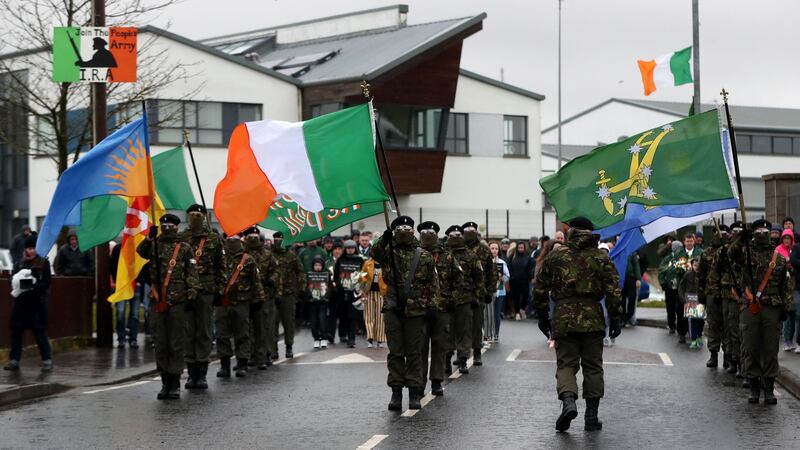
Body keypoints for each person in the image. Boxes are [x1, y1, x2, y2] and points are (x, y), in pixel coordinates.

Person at [534, 217, 622, 432]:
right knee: (593, 367)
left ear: (570, 231)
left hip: (564, 317)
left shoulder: (556, 256)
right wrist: (616, 318)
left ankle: (569, 402)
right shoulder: (600, 257)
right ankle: (591, 417)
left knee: (566, 364)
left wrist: (543, 316)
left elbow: (540, 287)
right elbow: (613, 290)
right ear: (591, 232)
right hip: (593, 317)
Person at [371, 215, 438, 411]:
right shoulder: (388, 252)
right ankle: (396, 391)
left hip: (416, 310)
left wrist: (432, 306)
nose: (404, 232)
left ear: (413, 231)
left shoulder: (424, 256)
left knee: (415, 352)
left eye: (407, 229)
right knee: (396, 352)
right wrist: (384, 238)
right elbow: (373, 253)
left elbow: (433, 284)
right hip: (393, 308)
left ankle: (415, 392)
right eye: (399, 229)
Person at [730, 219, 793, 404]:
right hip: (750, 306)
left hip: (771, 307)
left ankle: (769, 388)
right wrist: (742, 235)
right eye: (757, 231)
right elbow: (731, 253)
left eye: (765, 231)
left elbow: (785, 286)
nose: (761, 234)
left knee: (770, 348)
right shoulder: (746, 254)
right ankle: (754, 387)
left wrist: (785, 308)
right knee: (750, 347)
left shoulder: (779, 258)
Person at [136, 214, 199, 400]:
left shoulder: (185, 248)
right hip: (158, 301)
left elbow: (192, 273)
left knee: (176, 343)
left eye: (171, 225)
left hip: (178, 301)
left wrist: (191, 295)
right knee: (161, 343)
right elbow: (141, 252)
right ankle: (165, 381)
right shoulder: (155, 245)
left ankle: (175, 382)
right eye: (164, 225)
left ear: (177, 227)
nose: (167, 228)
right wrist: (149, 237)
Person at [178, 204, 224, 388]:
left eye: (199, 214)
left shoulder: (213, 238)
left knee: (204, 332)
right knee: (189, 332)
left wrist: (220, 291)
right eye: (192, 214)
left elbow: (221, 266)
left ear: (205, 217)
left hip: (206, 290)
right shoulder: (182, 238)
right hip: (187, 291)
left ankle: (202, 373)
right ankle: (191, 372)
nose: (195, 217)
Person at [216, 232, 264, 378]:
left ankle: (242, 363)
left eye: (235, 238)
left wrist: (258, 300)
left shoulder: (247, 259)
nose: (232, 241)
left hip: (242, 303)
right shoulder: (219, 257)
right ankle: (224, 366)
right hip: (222, 302)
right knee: (222, 335)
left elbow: (256, 282)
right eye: (229, 238)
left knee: (242, 334)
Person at [4, 234, 53, 372]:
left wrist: (33, 285)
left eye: (32, 248)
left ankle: (47, 360)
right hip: (20, 303)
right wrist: (15, 283)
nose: (29, 251)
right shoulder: (20, 263)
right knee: (16, 331)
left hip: (36, 304)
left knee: (39, 332)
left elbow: (47, 283)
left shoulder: (43, 263)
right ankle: (14, 360)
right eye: (27, 248)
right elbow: (12, 279)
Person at [417, 221, 453, 395]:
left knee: (439, 345)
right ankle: (419, 382)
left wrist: (453, 299)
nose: (428, 235)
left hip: (442, 308)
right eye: (425, 232)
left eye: (431, 232)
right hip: (420, 308)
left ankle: (437, 381)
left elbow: (457, 279)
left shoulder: (447, 256)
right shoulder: (415, 254)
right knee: (420, 347)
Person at [708, 223, 743, 376]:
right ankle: (731, 358)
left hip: (746, 294)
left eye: (740, 232)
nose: (737, 234)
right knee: (729, 328)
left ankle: (742, 362)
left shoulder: (748, 249)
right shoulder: (723, 251)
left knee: (742, 330)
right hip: (727, 293)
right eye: (734, 231)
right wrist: (714, 292)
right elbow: (714, 273)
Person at [462, 221, 497, 366]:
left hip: (478, 293)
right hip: (461, 293)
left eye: (472, 230)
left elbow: (491, 272)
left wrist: (490, 291)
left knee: (477, 324)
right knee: (462, 325)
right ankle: (462, 354)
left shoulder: (483, 249)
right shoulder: (459, 247)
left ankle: (477, 351)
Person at [246, 227, 278, 368]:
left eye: (255, 236)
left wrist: (271, 280)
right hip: (246, 294)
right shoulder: (243, 254)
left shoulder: (267, 254)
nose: (253, 239)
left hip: (265, 295)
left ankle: (265, 355)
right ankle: (250, 355)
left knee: (265, 326)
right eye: (250, 236)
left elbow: (276, 271)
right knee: (248, 327)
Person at [272, 231, 305, 359]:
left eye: (280, 239)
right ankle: (273, 348)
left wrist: (301, 288)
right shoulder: (269, 255)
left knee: (288, 321)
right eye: (275, 239)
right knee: (272, 322)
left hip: (288, 293)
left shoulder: (291, 256)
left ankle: (289, 346)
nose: (277, 242)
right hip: (273, 294)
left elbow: (300, 272)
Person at [697, 227, 723, 367]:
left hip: (727, 292)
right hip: (711, 292)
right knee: (713, 324)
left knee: (728, 327)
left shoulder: (728, 251)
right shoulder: (706, 253)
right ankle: (713, 354)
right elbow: (701, 275)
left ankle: (730, 357)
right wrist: (700, 293)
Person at [333, 240, 366, 348]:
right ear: (345, 249)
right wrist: (340, 285)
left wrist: (359, 285)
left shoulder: (360, 260)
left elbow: (364, 275)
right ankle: (342, 334)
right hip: (342, 293)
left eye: (352, 248)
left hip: (354, 292)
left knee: (353, 315)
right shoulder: (340, 260)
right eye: (348, 248)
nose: (350, 250)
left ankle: (351, 338)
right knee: (343, 315)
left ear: (355, 248)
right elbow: (336, 276)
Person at [110, 242, 140, 349]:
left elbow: (143, 264)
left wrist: (141, 280)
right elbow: (112, 264)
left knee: (135, 313)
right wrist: (116, 280)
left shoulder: (139, 246)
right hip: (122, 285)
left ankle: (133, 338)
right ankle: (121, 338)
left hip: (135, 284)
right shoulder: (118, 248)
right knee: (120, 312)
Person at [359, 254, 387, 348]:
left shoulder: (386, 264)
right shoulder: (367, 263)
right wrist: (362, 290)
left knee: (380, 317)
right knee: (368, 316)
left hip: (381, 293)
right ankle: (370, 338)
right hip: (369, 292)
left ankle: (380, 339)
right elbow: (362, 278)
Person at [775, 229, 796, 351]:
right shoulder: (778, 250)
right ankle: (786, 340)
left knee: (794, 313)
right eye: (785, 238)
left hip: (794, 284)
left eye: (789, 238)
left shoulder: (795, 249)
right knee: (786, 312)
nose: (787, 240)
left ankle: (791, 339)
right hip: (783, 285)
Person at [306, 256, 332, 349]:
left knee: (322, 320)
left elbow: (329, 288)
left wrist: (326, 297)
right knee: (313, 322)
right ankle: (316, 339)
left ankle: (324, 338)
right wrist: (309, 297)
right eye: (316, 265)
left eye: (319, 265)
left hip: (323, 303)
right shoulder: (309, 275)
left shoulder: (326, 274)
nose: (317, 267)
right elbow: (307, 287)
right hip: (313, 303)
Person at [679, 258, 704, 349]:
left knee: (700, 320)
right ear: (692, 265)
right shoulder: (687, 274)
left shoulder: (703, 275)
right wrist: (682, 298)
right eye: (695, 265)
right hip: (690, 300)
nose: (697, 267)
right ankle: (693, 339)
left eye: (698, 265)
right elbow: (681, 287)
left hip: (700, 300)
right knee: (692, 320)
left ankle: (699, 336)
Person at [507, 242, 534, 321]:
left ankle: (522, 308)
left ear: (524, 248)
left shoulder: (528, 257)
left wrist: (530, 276)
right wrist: (511, 276)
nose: (520, 249)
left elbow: (531, 268)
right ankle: (517, 312)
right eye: (519, 247)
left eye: (522, 247)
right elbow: (509, 267)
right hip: (514, 281)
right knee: (516, 297)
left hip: (525, 280)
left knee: (526, 295)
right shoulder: (512, 257)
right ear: (517, 248)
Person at [489, 242, 510, 341]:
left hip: (500, 291)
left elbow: (507, 276)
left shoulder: (502, 262)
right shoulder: (486, 262)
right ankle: (488, 333)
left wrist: (503, 278)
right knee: (488, 314)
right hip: (488, 291)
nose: (494, 250)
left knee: (497, 313)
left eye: (496, 248)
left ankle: (496, 333)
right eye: (492, 248)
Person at [622, 252, 641, 327]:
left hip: (631, 277)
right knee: (621, 299)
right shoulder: (618, 249)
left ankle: (629, 315)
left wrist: (638, 279)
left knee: (632, 297)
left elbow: (636, 265)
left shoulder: (632, 252)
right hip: (621, 277)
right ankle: (622, 319)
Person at [790, 234, 800, 354]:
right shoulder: (797, 247)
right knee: (799, 314)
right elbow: (793, 260)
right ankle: (799, 342)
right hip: (798, 287)